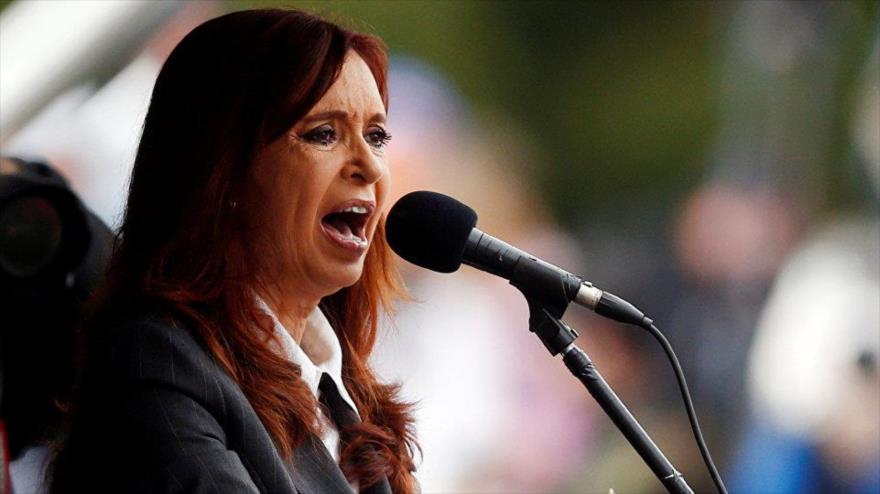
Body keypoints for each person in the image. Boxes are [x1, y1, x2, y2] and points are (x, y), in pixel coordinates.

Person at [48, 9, 418, 494]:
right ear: (223, 171)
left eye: (376, 136)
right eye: (323, 134)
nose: (369, 166)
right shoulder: (156, 363)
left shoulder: (344, 395)